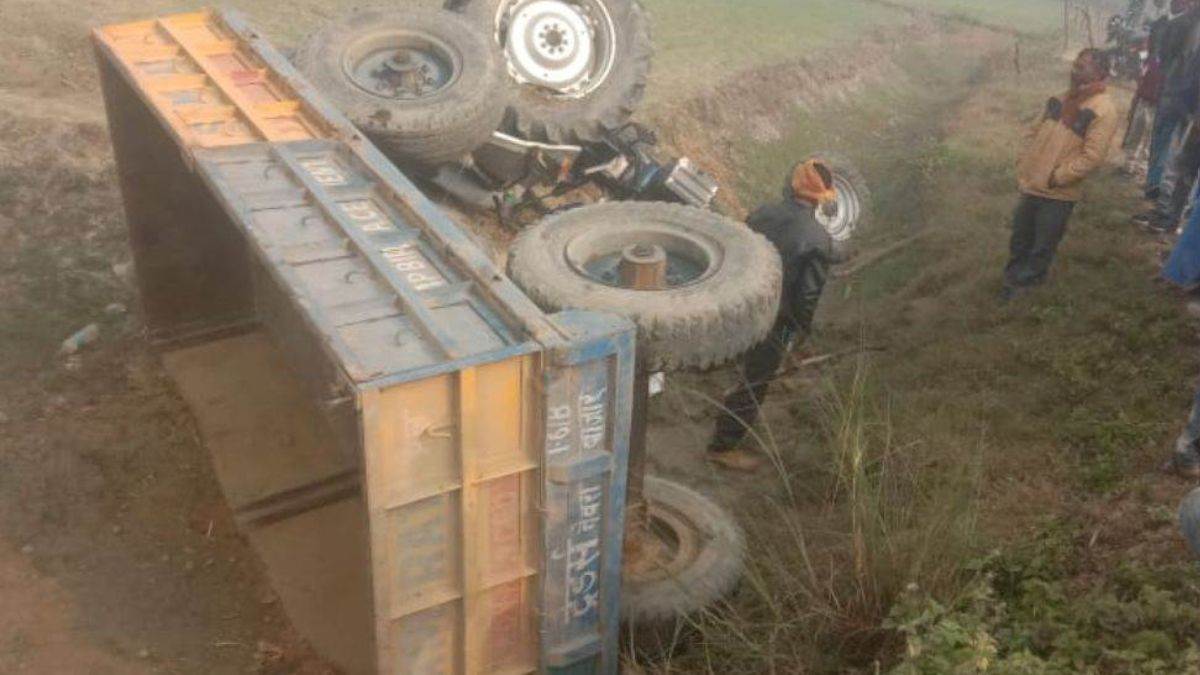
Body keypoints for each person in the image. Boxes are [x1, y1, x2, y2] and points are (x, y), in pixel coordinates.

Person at [707, 160, 836, 472]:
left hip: (740, 303)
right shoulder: (818, 238)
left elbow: (738, 250)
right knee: (756, 381)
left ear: (791, 185)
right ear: (821, 198)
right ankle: (722, 447)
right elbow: (807, 295)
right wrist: (801, 330)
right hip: (774, 318)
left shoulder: (762, 212)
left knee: (741, 358)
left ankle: (727, 387)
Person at [1003, 48, 1119, 300]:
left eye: (1082, 66)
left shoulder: (1103, 109)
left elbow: (1093, 156)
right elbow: (1034, 132)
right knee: (1020, 238)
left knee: (1041, 246)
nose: (1074, 69)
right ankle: (1010, 283)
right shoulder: (1060, 98)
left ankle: (1025, 293)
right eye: (1075, 64)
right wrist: (1025, 163)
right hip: (1032, 183)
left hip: (1058, 193)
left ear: (1100, 72)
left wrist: (1058, 177)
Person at [1143, 0, 1200, 199]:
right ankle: (1160, 189)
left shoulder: (1180, 23)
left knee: (1167, 141)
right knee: (1170, 142)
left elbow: (1166, 56)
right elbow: (1166, 55)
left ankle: (1157, 187)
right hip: (1180, 94)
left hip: (1177, 92)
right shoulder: (1180, 23)